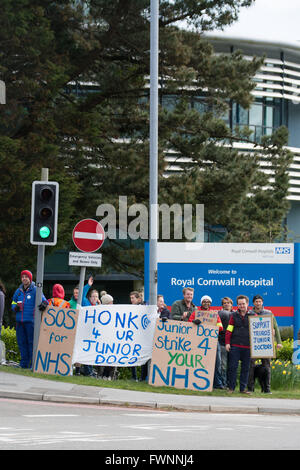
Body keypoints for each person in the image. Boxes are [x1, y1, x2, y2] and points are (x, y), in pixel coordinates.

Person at [11, 270, 47, 369]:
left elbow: (44, 300)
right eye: (22, 277)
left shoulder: (35, 290)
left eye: (26, 277)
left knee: (31, 343)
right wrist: (14, 308)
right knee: (22, 343)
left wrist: (44, 304)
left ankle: (33, 364)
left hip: (31, 321)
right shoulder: (18, 291)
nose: (24, 279)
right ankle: (24, 364)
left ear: (30, 279)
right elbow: (13, 303)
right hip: (20, 322)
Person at [247, 294, 282, 393]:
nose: (258, 303)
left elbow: (276, 327)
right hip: (253, 344)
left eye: (260, 301)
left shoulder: (268, 313)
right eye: (256, 301)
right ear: (253, 303)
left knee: (267, 366)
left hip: (266, 344)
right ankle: (250, 388)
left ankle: (267, 388)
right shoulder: (249, 313)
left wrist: (279, 342)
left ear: (262, 302)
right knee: (251, 365)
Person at [188, 295, 224, 389]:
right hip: (198, 341)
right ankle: (196, 381)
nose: (206, 303)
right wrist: (194, 322)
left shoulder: (214, 314)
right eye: (204, 301)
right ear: (201, 303)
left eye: (208, 302)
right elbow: (189, 324)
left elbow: (220, 327)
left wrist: (211, 325)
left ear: (210, 303)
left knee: (217, 362)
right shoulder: (196, 313)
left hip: (212, 340)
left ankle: (217, 383)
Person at [225, 295, 256, 393]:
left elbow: (258, 331)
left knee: (246, 368)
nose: (241, 306)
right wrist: (227, 343)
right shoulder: (233, 315)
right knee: (232, 367)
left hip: (248, 346)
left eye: (243, 304)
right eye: (239, 304)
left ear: (247, 304)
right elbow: (229, 330)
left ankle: (243, 389)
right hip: (235, 345)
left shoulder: (253, 315)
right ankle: (231, 388)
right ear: (237, 305)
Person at [98, 292, 116, 380]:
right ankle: (104, 374)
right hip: (105, 339)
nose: (112, 304)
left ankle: (107, 374)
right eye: (110, 303)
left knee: (111, 358)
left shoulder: (114, 312)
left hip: (112, 338)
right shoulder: (101, 312)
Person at [218, 297, 234, 388]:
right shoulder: (219, 314)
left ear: (231, 304)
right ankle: (223, 383)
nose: (227, 304)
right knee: (223, 365)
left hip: (234, 343)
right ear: (222, 305)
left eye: (228, 303)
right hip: (222, 342)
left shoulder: (236, 314)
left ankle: (230, 383)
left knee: (232, 366)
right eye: (224, 303)